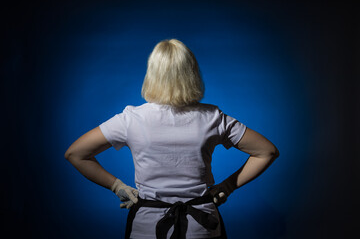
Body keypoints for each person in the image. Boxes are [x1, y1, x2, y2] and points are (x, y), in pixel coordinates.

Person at [64, 38, 279, 239]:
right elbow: (266, 151)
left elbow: (76, 153)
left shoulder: (131, 118)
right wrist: (228, 186)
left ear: (152, 74)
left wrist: (116, 186)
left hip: (146, 228)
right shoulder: (212, 117)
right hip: (203, 228)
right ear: (192, 73)